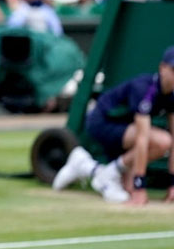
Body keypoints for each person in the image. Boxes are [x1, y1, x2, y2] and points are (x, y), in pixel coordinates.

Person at [52, 46, 174, 205]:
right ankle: (107, 174)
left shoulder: (172, 95)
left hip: (125, 129)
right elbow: (142, 139)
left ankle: (86, 166)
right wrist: (140, 187)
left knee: (126, 189)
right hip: (101, 123)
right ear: (162, 68)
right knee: (162, 141)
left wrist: (172, 185)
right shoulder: (145, 88)